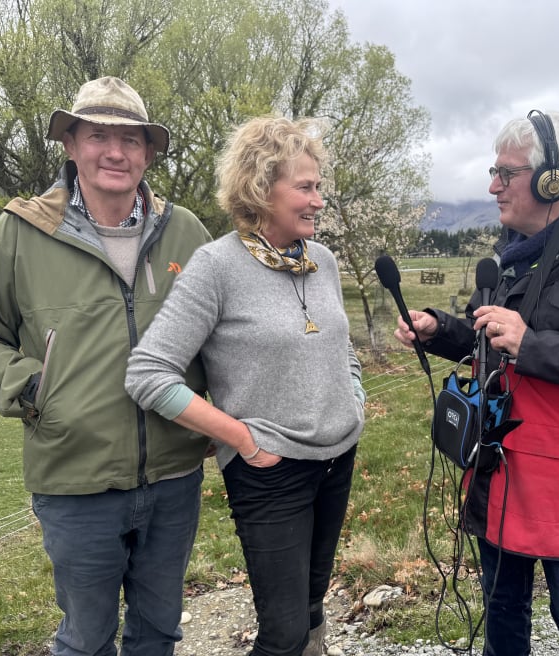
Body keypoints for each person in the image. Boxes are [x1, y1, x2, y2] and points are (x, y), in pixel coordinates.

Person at [0, 76, 213, 656]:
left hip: (174, 475)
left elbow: (220, 334)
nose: (115, 152)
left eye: (131, 139)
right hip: (75, 480)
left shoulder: (186, 232)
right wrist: (39, 388)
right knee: (86, 638)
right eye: (98, 135)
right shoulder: (19, 232)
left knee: (159, 631)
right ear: (69, 144)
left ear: (148, 151)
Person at [395, 110, 559, 656]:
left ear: (553, 180)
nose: (493, 185)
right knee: (501, 601)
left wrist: (531, 344)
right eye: (493, 171)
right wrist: (437, 329)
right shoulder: (510, 254)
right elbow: (485, 334)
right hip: (500, 458)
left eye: (506, 173)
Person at [125, 115, 366, 656]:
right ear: (261, 188)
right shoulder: (216, 267)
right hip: (271, 473)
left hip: (336, 459)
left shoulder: (321, 262)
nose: (318, 200)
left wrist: (354, 402)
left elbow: (340, 346)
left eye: (317, 186)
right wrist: (242, 439)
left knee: (310, 608)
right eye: (305, 187)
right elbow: (147, 374)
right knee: (281, 634)